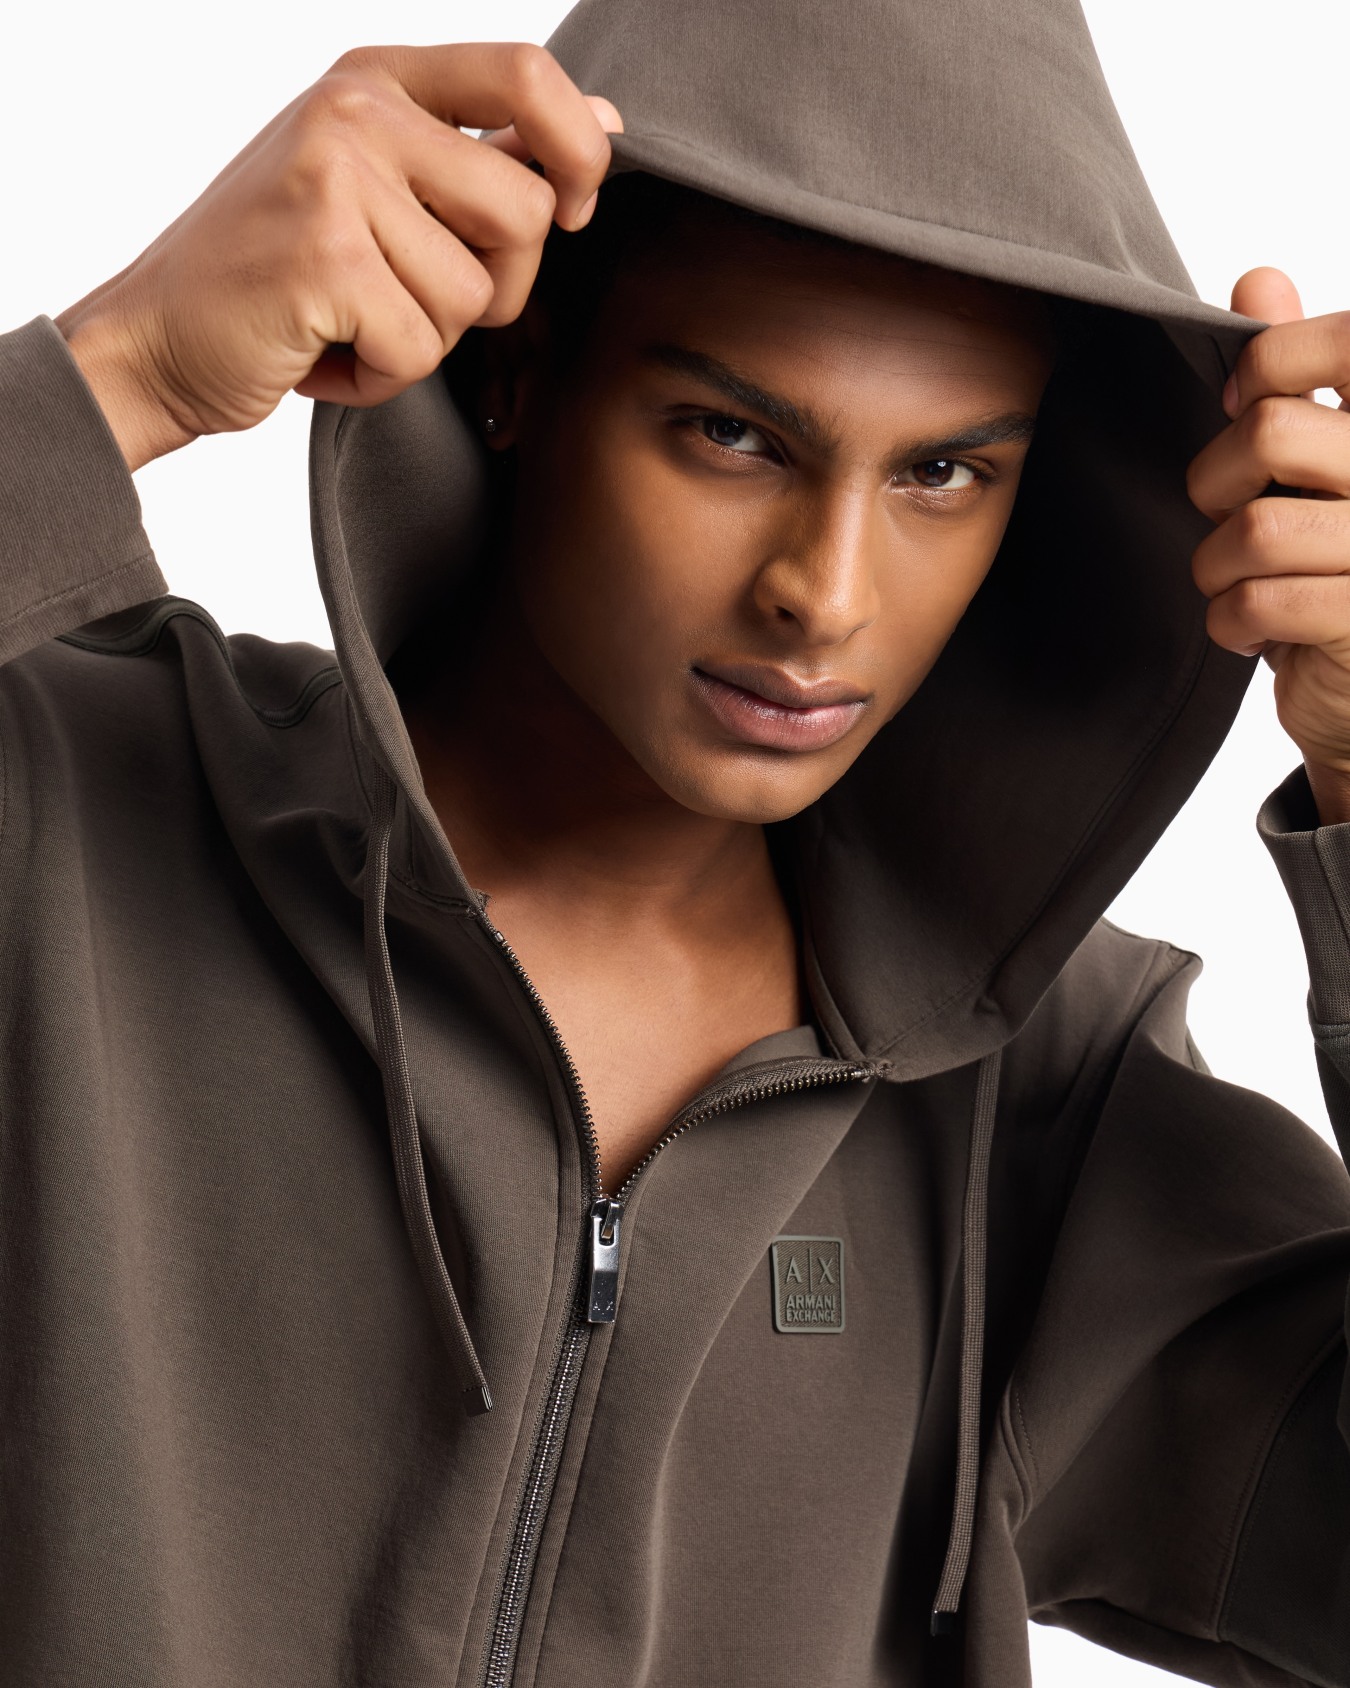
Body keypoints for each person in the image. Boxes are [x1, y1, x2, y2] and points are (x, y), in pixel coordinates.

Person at [3, 0, 1350, 1682]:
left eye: (942, 472)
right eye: (731, 435)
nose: (824, 593)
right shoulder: (75, 803)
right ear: (512, 372)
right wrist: (117, 371)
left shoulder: (1035, 1101)